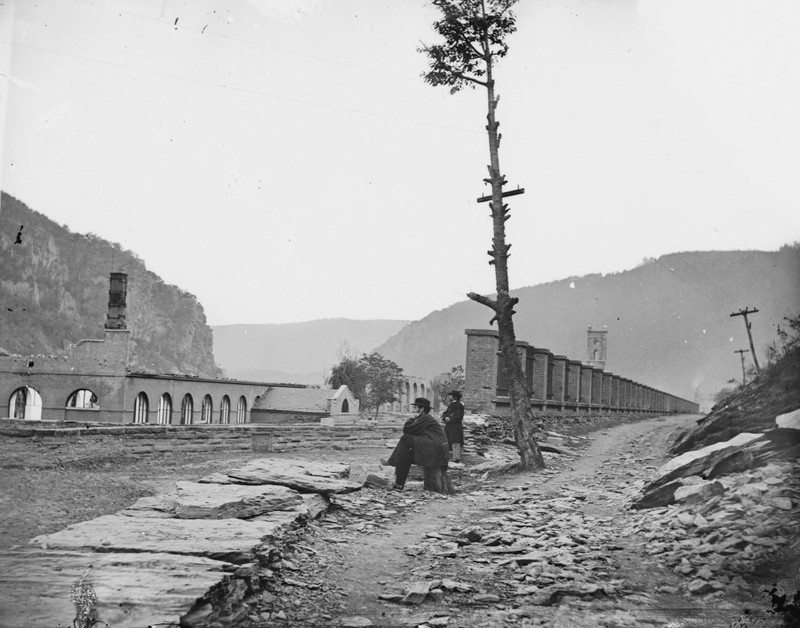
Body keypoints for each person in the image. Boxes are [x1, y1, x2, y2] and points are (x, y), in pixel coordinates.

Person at [386, 397, 450, 492]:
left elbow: (407, 429)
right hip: (431, 446)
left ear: (422, 409)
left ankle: (397, 478)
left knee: (405, 440)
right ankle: (398, 481)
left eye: (415, 407)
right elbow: (413, 431)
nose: (414, 410)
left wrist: (411, 419)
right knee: (405, 454)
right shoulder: (424, 418)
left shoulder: (425, 418)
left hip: (435, 448)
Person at [441, 390, 465, 462]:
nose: (450, 397)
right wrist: (445, 417)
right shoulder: (451, 405)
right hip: (449, 427)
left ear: (454, 397)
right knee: (447, 441)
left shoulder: (459, 405)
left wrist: (450, 419)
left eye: (451, 395)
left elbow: (459, 416)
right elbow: (445, 413)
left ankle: (456, 458)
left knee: (456, 442)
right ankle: (446, 457)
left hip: (455, 427)